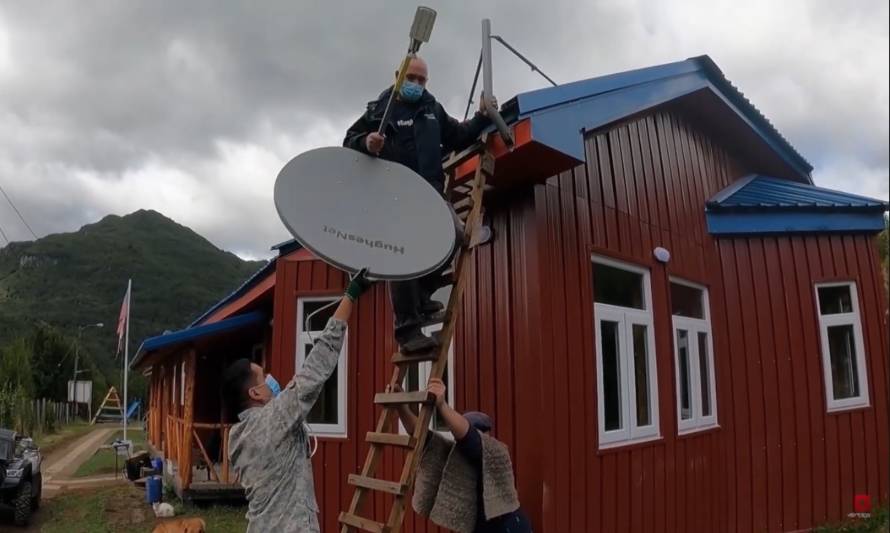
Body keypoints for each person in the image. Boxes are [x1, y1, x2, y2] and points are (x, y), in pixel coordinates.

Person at [343, 55, 494, 354]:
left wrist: (482, 117)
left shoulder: (431, 109)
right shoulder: (379, 110)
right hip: (394, 196)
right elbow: (349, 140)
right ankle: (408, 331)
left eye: (421, 80)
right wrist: (366, 143)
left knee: (455, 236)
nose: (416, 84)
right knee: (403, 257)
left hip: (429, 193)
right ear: (398, 75)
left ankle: (422, 297)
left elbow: (458, 136)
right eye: (410, 78)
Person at [222, 270, 372, 532]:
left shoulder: (235, 438)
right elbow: (317, 365)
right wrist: (351, 294)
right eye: (263, 375)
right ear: (255, 394)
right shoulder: (272, 421)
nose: (271, 378)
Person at [391, 378, 533, 533]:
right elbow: (422, 436)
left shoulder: (495, 452)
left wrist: (442, 405)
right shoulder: (457, 454)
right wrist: (401, 407)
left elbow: (470, 439)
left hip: (508, 528)